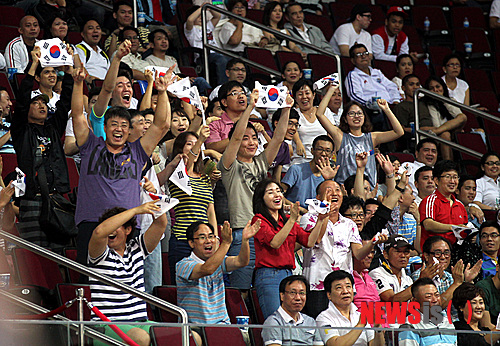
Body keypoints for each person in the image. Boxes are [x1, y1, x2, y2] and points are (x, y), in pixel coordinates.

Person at [71, 63, 173, 266]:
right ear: (105, 127)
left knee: (128, 278)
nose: (119, 129)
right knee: (92, 282)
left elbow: (162, 124)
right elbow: (77, 115)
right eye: (114, 124)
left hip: (128, 226)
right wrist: (77, 83)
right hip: (92, 224)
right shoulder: (91, 145)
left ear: (130, 131)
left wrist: (162, 93)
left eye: (124, 125)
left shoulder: (137, 151)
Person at [217, 89, 293, 290]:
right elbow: (233, 139)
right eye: (246, 138)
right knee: (240, 291)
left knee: (264, 287)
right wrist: (250, 107)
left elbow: (277, 139)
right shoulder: (229, 165)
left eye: (254, 138)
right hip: (243, 231)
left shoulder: (260, 162)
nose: (251, 142)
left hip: (268, 232)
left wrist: (286, 109)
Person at [12, 45, 73, 252]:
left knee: (59, 255)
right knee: (34, 256)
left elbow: (65, 103)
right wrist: (34, 64)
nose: (42, 105)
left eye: (44, 103)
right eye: (36, 103)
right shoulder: (21, 130)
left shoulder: (53, 128)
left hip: (56, 200)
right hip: (32, 201)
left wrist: (69, 71)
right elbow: (21, 101)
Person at [300, 180, 387, 318]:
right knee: (321, 330)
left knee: (344, 327)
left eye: (337, 190)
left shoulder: (349, 224)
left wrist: (371, 243)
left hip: (344, 287)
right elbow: (315, 240)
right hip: (317, 285)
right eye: (328, 190)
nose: (334, 193)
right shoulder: (308, 218)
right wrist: (324, 214)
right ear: (318, 197)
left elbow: (358, 254)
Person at [88, 201, 168, 346]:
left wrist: (154, 196)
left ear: (128, 230)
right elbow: (99, 232)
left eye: (116, 225)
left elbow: (161, 224)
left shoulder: (137, 248)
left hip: (141, 323)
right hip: (106, 325)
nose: (111, 230)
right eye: (109, 224)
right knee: (141, 338)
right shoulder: (99, 254)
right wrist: (135, 211)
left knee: (189, 336)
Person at [252, 179, 323, 318]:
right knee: (275, 320)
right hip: (269, 275)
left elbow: (309, 241)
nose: (277, 195)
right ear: (261, 198)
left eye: (278, 191)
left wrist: (320, 220)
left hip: (289, 275)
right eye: (270, 192)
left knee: (291, 318)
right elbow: (274, 243)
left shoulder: (287, 220)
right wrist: (292, 220)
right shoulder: (259, 220)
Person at [176, 220, 260, 328]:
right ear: (191, 243)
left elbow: (241, 261)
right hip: (195, 328)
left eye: (211, 236)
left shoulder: (219, 261)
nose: (208, 241)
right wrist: (225, 244)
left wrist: (245, 240)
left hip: (222, 325)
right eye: (202, 237)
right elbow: (207, 269)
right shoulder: (183, 265)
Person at [317, 85, 404, 188]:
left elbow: (399, 132)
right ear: (344, 118)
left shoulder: (372, 137)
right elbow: (320, 114)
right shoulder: (339, 136)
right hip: (346, 190)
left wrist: (386, 109)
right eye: (352, 114)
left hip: (369, 190)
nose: (356, 116)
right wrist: (331, 90)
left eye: (359, 113)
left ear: (364, 117)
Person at [166, 128, 217, 283]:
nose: (195, 147)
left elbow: (210, 211)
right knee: (183, 287)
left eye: (197, 145)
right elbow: (188, 162)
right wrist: (201, 140)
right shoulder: (177, 172)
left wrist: (214, 238)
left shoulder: (205, 178)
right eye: (190, 144)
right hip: (182, 240)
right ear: (180, 149)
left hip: (204, 242)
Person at [410, 235, 481, 320]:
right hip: (431, 325)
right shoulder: (419, 277)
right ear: (426, 255)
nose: (443, 257)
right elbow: (435, 310)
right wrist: (456, 284)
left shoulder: (450, 277)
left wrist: (467, 282)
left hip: (455, 325)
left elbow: (464, 306)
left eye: (446, 253)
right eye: (438, 253)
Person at [316, 270, 385, 346]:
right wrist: (360, 325)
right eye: (339, 288)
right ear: (329, 295)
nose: (345, 291)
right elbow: (334, 344)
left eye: (348, 286)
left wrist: (378, 329)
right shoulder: (324, 318)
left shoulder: (359, 315)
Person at [345, 44, 401, 130]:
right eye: (359, 55)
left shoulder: (377, 72)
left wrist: (395, 100)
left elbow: (392, 87)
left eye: (365, 53)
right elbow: (355, 96)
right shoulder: (353, 75)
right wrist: (372, 105)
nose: (363, 56)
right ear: (353, 60)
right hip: (372, 109)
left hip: (389, 105)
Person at [262, 275, 323, 346]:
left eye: (302, 293)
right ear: (282, 296)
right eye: (293, 293)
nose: (298, 298)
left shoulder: (310, 321)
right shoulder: (273, 322)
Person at [419, 160, 468, 248]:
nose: (452, 181)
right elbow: (428, 224)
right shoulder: (430, 200)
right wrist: (453, 228)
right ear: (436, 180)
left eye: (455, 177)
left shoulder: (460, 205)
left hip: (455, 253)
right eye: (448, 177)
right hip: (434, 254)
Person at [282, 135, 337, 212]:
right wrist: (299, 209)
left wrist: (329, 179)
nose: (323, 154)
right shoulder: (296, 170)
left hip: (318, 215)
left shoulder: (329, 175)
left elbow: (330, 202)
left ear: (331, 154)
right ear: (312, 151)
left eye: (327, 151)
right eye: (319, 149)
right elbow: (280, 195)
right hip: (295, 213)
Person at [289, 79, 337, 166]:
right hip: (301, 161)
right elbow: (292, 129)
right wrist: (298, 141)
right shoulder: (293, 113)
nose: (304, 97)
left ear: (314, 95)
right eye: (300, 94)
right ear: (295, 98)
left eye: (307, 93)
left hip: (323, 161)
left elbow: (332, 133)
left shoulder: (325, 111)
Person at [398, 278, 457, 346]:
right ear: (415, 302)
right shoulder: (410, 326)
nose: (435, 300)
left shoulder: (447, 322)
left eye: (437, 295)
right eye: (428, 296)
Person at [185, 4, 230, 85]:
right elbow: (190, 20)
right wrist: (201, 8)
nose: (201, 18)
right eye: (198, 16)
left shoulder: (208, 26)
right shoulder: (191, 30)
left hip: (218, 53)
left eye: (202, 16)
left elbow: (217, 16)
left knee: (236, 61)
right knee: (221, 60)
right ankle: (222, 87)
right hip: (203, 56)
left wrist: (209, 8)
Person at [0, 87, 14, 154]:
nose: (10, 104)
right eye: (7, 100)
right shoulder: (13, 128)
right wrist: (11, 132)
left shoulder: (10, 125)